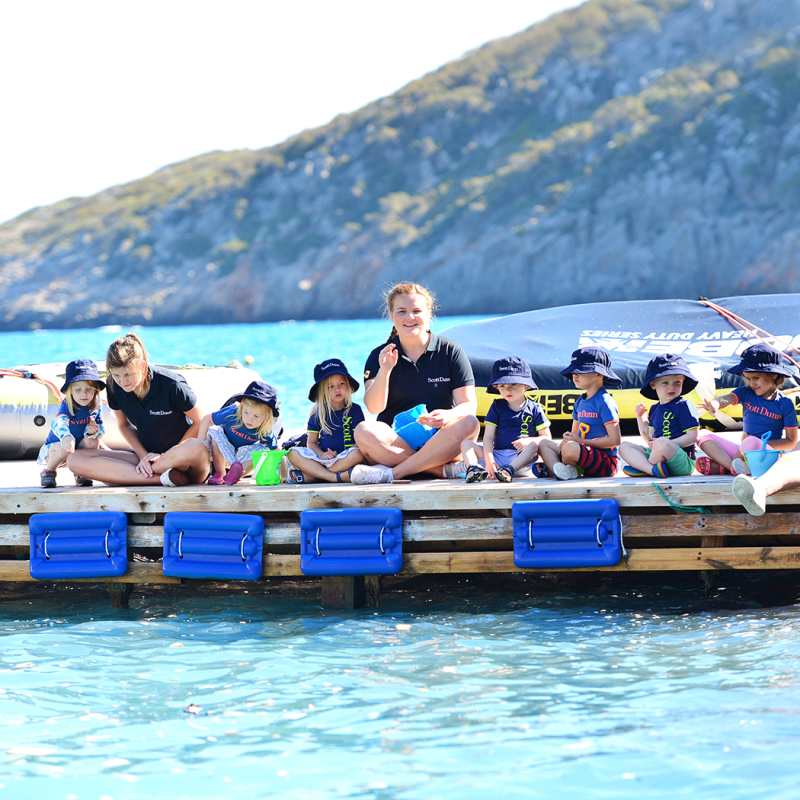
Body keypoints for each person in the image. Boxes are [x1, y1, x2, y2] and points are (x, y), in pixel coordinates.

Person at [350, 282, 479, 484]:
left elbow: (469, 405)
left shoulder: (450, 351)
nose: (410, 318)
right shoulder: (379, 355)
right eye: (402, 311)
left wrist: (448, 415)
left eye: (416, 311)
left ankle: (394, 474)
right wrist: (385, 370)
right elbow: (374, 407)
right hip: (396, 441)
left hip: (441, 439)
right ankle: (438, 471)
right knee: (363, 430)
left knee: (470, 423)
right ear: (392, 316)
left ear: (429, 315)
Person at [66, 333, 210, 486]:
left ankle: (154, 475)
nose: (122, 381)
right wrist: (143, 456)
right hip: (147, 458)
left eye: (128, 374)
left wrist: (168, 456)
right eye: (116, 375)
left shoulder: (172, 385)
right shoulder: (114, 386)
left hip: (182, 457)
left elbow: (199, 421)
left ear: (142, 365)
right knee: (74, 460)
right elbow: (124, 425)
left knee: (195, 447)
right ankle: (164, 479)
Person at [697, 343, 798, 476]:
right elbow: (728, 398)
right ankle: (733, 467)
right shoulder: (746, 393)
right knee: (703, 436)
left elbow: (791, 442)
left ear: (773, 375)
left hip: (765, 455)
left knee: (750, 440)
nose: (751, 383)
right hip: (744, 452)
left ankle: (729, 466)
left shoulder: (784, 404)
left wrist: (761, 445)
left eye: (755, 378)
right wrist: (715, 404)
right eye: (748, 378)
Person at [460, 356, 551, 482]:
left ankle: (509, 470)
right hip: (497, 456)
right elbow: (488, 438)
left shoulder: (535, 408)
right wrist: (490, 460)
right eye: (502, 385)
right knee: (466, 444)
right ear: (496, 388)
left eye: (513, 384)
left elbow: (547, 438)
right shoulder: (497, 406)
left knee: (534, 446)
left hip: (522, 460)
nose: (507, 389)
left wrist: (530, 440)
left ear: (526, 385)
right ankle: (473, 469)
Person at [539, 347, 622, 480]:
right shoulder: (580, 402)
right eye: (573, 371)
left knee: (571, 449)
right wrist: (568, 439)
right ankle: (559, 468)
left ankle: (557, 469)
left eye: (580, 371)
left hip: (605, 461)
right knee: (544, 443)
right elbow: (575, 435)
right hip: (581, 452)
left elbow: (615, 440)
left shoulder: (605, 401)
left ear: (599, 374)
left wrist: (582, 441)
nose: (575, 375)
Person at [620, 354, 699, 478]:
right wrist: (640, 418)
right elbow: (649, 439)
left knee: (661, 443)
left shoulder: (684, 406)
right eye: (665, 383)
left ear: (683, 381)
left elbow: (693, 437)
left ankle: (646, 468)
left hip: (682, 460)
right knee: (624, 447)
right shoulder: (654, 409)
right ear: (653, 384)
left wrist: (666, 443)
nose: (671, 387)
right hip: (657, 456)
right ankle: (651, 469)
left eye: (677, 382)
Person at [286, 358, 365, 483]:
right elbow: (311, 443)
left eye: (341, 384)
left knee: (359, 453)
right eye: (331, 386)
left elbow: (360, 441)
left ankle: (317, 474)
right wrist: (321, 455)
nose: (337, 389)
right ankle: (332, 477)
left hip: (345, 459)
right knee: (292, 453)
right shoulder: (317, 413)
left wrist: (346, 455)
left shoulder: (355, 410)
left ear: (348, 385)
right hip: (323, 459)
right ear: (322, 391)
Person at [38, 359, 106, 488]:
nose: (84, 394)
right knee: (64, 445)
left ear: (96, 391)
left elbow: (101, 427)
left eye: (89, 389)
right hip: (58, 447)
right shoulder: (67, 405)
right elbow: (58, 423)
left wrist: (94, 431)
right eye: (78, 390)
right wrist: (66, 436)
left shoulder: (96, 405)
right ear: (70, 391)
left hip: (78, 446)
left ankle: (81, 472)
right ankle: (49, 471)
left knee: (93, 441)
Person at [198, 381, 281, 486]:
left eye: (256, 416)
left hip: (243, 454)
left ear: (266, 418)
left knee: (264, 448)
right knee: (216, 432)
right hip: (225, 447)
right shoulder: (233, 412)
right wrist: (200, 443)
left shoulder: (265, 430)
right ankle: (220, 473)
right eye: (246, 412)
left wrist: (282, 474)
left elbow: (276, 451)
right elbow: (207, 419)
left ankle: (236, 475)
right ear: (241, 407)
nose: (249, 419)